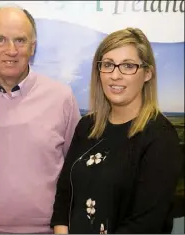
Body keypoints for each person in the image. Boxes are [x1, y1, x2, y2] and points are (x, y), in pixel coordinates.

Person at [0, 5, 81, 234]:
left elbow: (77, 173)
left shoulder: (62, 98)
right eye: (0, 40)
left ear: (33, 47)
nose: (11, 50)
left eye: (20, 40)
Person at [51, 27, 183, 234]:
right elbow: (64, 196)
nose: (115, 75)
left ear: (147, 73)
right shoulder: (87, 126)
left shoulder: (160, 137)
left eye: (128, 66)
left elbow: (147, 223)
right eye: (108, 65)